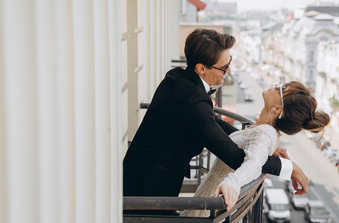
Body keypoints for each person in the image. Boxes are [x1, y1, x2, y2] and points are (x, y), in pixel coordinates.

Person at [123, 29, 309, 213]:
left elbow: (211, 121)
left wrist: (248, 137)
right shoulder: (193, 100)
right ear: (201, 68)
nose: (228, 71)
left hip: (142, 171)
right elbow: (236, 158)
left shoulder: (178, 77)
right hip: (150, 185)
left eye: (229, 63)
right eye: (224, 67)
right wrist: (288, 167)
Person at [182, 81, 330, 216]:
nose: (277, 85)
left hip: (209, 205)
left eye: (282, 89)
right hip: (205, 197)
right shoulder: (263, 129)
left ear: (278, 109)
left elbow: (254, 162)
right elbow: (238, 141)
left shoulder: (265, 133)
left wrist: (232, 183)